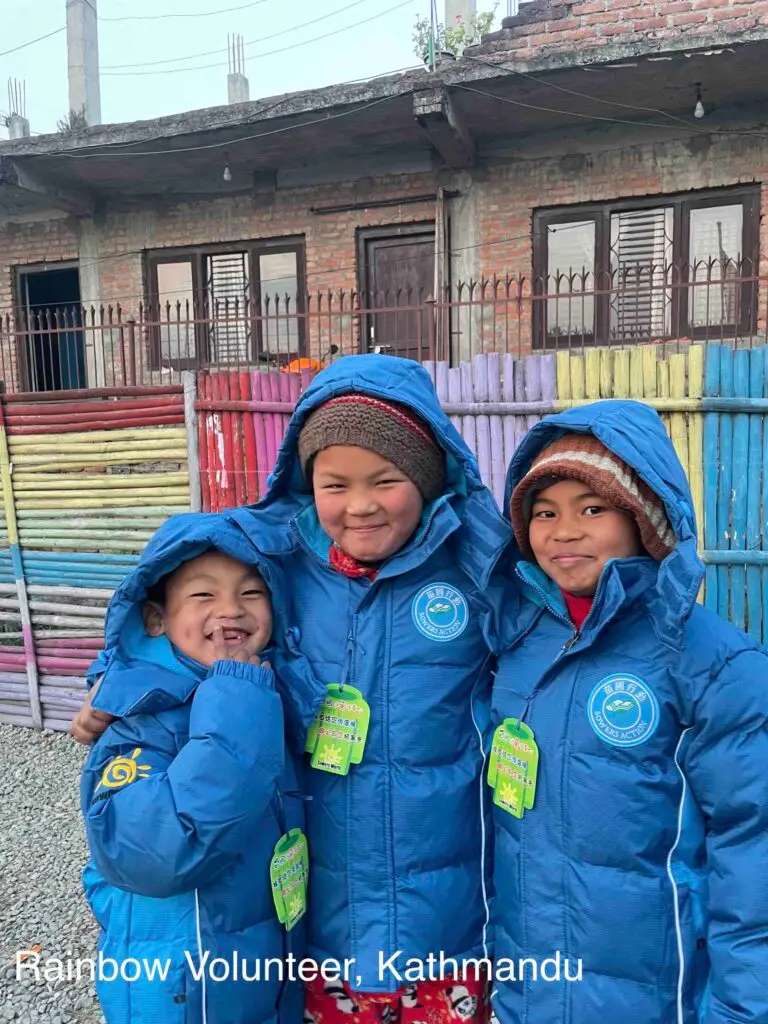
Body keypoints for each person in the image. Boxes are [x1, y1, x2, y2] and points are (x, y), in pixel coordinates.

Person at [236, 355, 511, 1022]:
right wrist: (120, 685)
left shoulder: (480, 571)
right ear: (308, 482)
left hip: (445, 928)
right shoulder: (273, 566)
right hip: (324, 920)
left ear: (427, 476)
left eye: (386, 480)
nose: (359, 505)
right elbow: (178, 615)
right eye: (335, 484)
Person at [488, 400, 768, 1024]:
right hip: (527, 990)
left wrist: (742, 1009)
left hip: (653, 995)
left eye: (593, 509)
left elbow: (752, 854)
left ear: (646, 520)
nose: (564, 531)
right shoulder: (516, 644)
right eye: (544, 513)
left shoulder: (711, 662)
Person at [80, 512, 306, 1024]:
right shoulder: (142, 721)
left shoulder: (266, 691)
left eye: (252, 593)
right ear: (155, 619)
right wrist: (236, 700)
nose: (231, 610)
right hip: (182, 992)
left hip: (253, 967)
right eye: (203, 596)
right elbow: (156, 853)